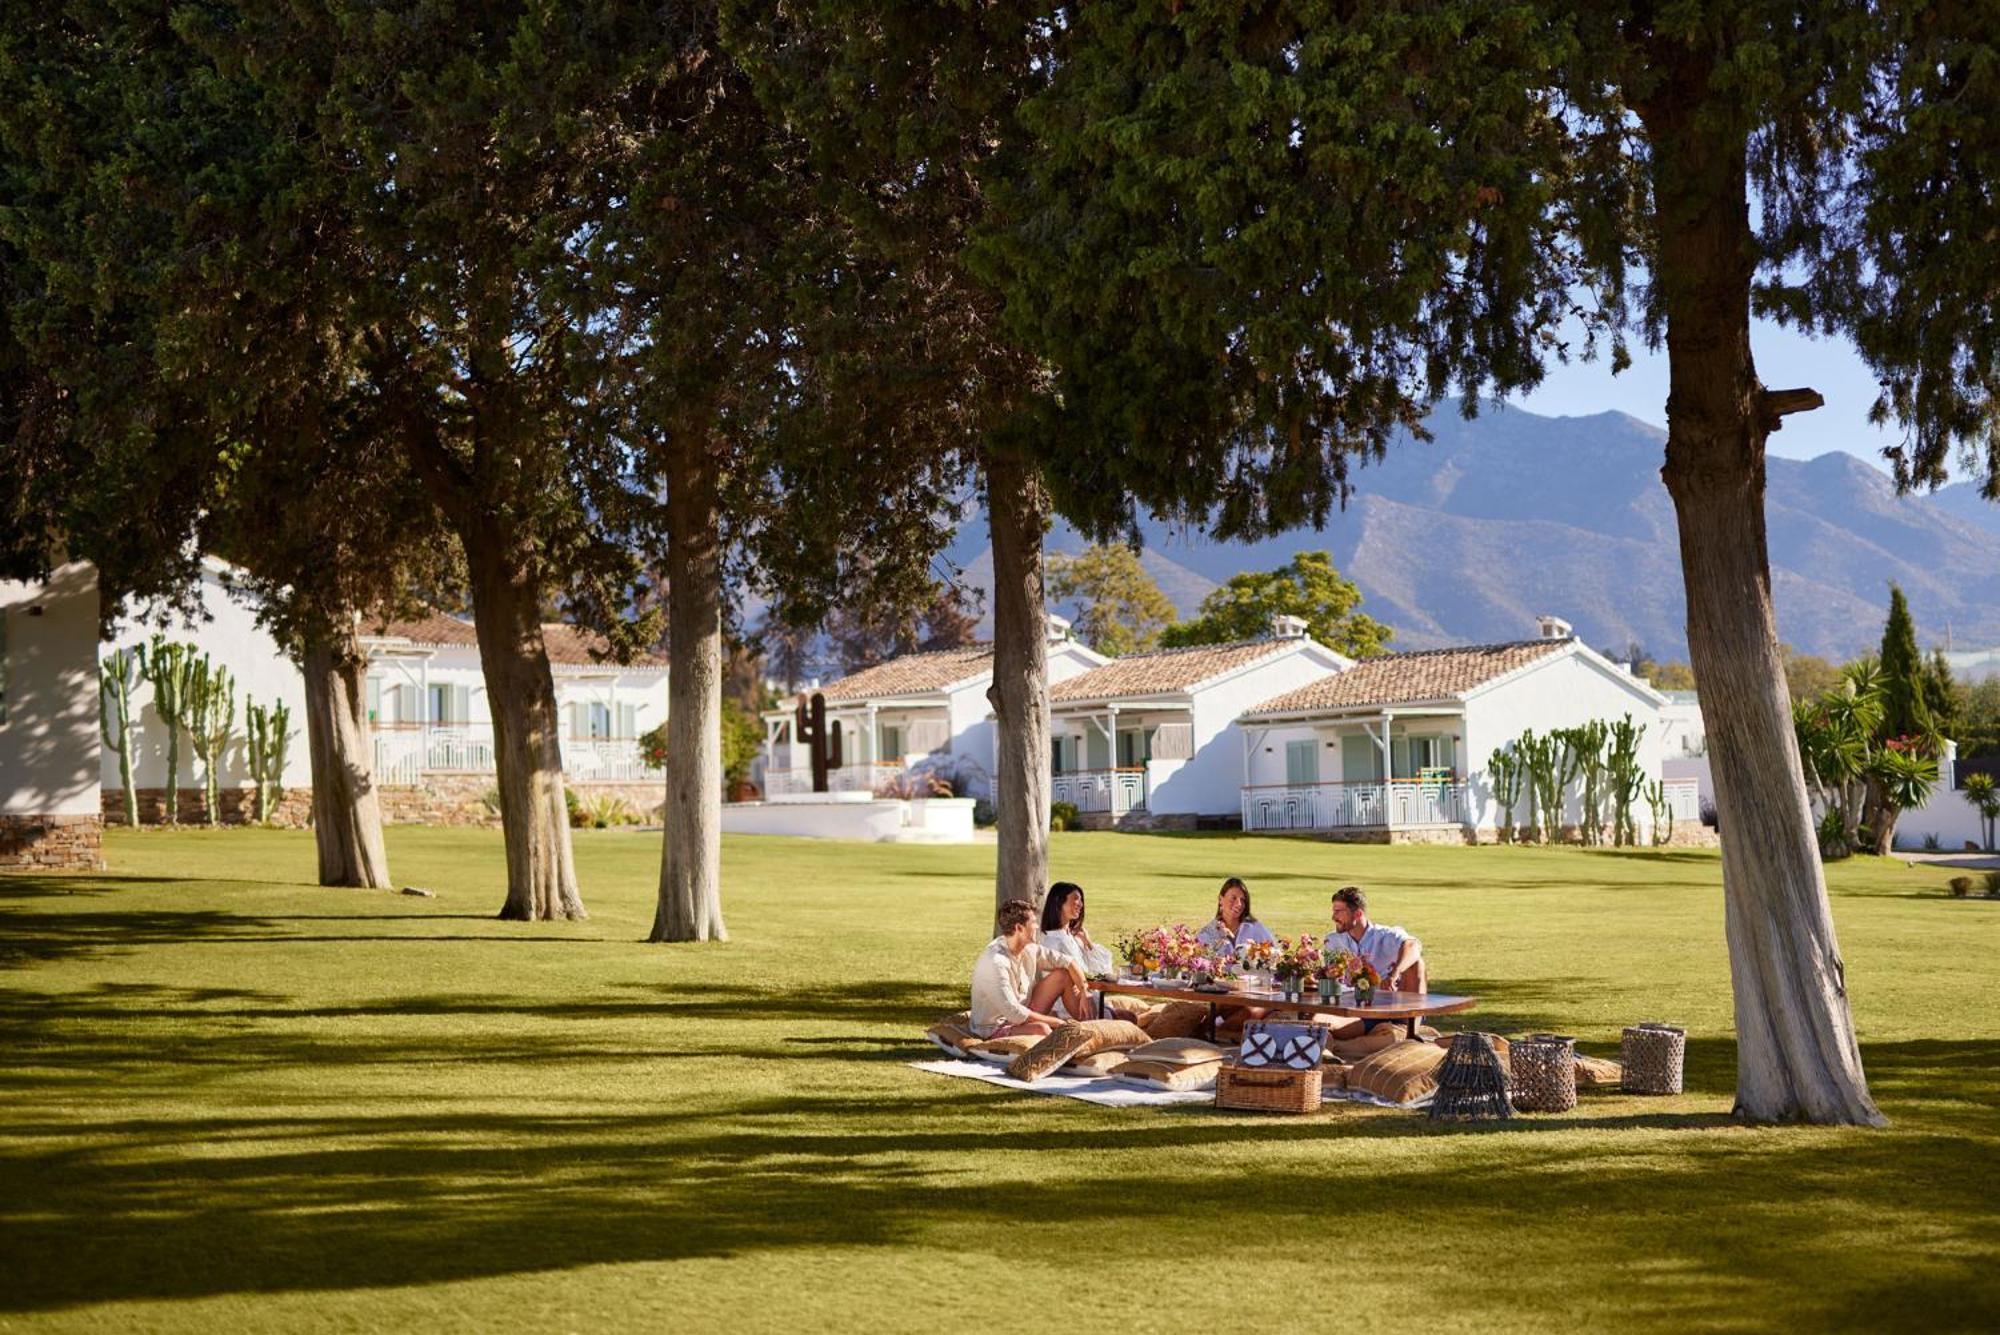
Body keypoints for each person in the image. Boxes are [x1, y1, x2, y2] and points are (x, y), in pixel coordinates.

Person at [970, 897, 1091, 1039]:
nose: (1037, 927)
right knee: (1042, 1029)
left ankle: (1089, 1028)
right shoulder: (995, 963)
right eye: (1033, 923)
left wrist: (1084, 990)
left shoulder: (1028, 948)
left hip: (1023, 1009)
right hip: (995, 1026)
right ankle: (1070, 1041)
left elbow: (1068, 962)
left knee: (1063, 975)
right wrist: (1058, 1023)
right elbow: (1014, 1012)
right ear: (1019, 928)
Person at [1038, 882, 1134, 1021]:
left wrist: (1088, 943)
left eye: (1081, 900)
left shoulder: (1073, 938)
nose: (1081, 904)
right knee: (1128, 1018)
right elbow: (1061, 984)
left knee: (1129, 1016)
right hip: (1070, 1006)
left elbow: (1101, 970)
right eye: (1076, 899)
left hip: (1088, 997)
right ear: (1059, 902)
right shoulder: (1052, 942)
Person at [1323, 885, 1427, 993]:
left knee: (1416, 963)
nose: (1333, 917)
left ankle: (1415, 1009)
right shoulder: (1332, 940)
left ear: (1358, 914)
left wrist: (1394, 974)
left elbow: (1412, 946)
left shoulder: (1384, 936)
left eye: (1338, 911)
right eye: (1334, 911)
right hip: (1345, 1001)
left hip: (1385, 1002)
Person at [1195, 877, 1277, 956]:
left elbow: (1275, 955)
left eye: (1242, 900)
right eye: (1233, 898)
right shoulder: (1206, 934)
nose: (1239, 904)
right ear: (1220, 899)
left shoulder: (1257, 929)